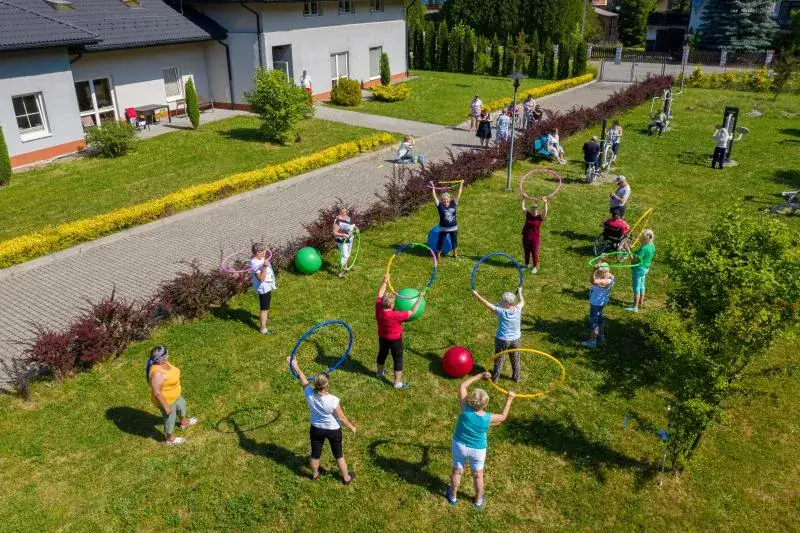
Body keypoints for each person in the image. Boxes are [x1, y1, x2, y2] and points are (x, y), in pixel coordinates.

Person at [445, 372, 515, 509]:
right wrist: (509, 399)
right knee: (478, 475)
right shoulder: (488, 418)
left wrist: (479, 376)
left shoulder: (464, 408)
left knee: (457, 471)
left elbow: (463, 385)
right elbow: (502, 417)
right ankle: (478, 501)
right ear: (485, 404)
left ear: (471, 400)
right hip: (478, 449)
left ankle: (452, 497)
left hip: (460, 445)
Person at [288, 357, 356, 484]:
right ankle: (346, 478)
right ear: (327, 385)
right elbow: (341, 417)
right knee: (338, 455)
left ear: (315, 384)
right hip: (333, 430)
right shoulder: (333, 400)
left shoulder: (309, 393)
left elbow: (303, 378)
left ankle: (315, 475)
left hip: (316, 429)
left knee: (315, 454)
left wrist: (295, 365)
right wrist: (352, 427)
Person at [375, 274, 423, 389]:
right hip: (395, 340)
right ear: (392, 305)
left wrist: (385, 281)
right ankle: (397, 383)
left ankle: (379, 373)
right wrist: (419, 299)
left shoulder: (378, 308)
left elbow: (380, 294)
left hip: (383, 337)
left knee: (382, 354)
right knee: (398, 359)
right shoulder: (396, 315)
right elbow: (412, 312)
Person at [146, 345, 197, 445]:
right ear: (160, 359)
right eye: (166, 354)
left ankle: (184, 422)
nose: (168, 355)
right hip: (167, 401)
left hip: (176, 395)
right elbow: (157, 393)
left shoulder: (164, 363)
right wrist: (166, 407)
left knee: (181, 406)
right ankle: (170, 439)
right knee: (170, 419)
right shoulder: (157, 374)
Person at [472, 288, 525, 383]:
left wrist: (476, 295)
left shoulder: (501, 312)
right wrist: (520, 291)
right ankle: (516, 378)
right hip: (516, 339)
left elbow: (486, 304)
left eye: (503, 300)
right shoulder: (518, 308)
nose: (501, 301)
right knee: (515, 359)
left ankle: (495, 379)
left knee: (499, 361)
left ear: (507, 303)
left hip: (502, 340)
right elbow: (522, 301)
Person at [582, 263, 615, 349]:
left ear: (603, 272)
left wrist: (593, 270)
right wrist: (600, 261)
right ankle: (602, 336)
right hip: (602, 302)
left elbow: (592, 281)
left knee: (594, 322)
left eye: (599, 272)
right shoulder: (610, 276)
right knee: (600, 318)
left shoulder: (606, 281)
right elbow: (601, 268)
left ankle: (593, 341)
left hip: (596, 303)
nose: (597, 273)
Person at [431, 180, 463, 259]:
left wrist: (461, 184)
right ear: (442, 200)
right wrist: (433, 186)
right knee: (440, 241)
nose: (445, 200)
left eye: (447, 199)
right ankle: (438, 255)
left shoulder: (453, 203)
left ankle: (455, 254)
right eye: (444, 199)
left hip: (453, 227)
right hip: (443, 228)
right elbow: (434, 197)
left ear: (449, 199)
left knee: (454, 240)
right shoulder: (440, 205)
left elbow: (459, 194)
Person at [626, 229, 655, 313]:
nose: (639, 239)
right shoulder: (652, 246)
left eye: (641, 238)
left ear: (644, 239)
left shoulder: (643, 248)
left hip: (638, 269)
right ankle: (640, 303)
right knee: (642, 285)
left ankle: (635, 307)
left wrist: (628, 250)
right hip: (646, 268)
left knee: (636, 287)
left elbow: (634, 260)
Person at [250, 242, 276, 334]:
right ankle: (263, 329)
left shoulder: (258, 258)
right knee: (264, 308)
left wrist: (263, 259)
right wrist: (264, 267)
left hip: (267, 286)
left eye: (265, 250)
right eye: (263, 252)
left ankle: (265, 317)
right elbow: (261, 279)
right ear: (257, 252)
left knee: (267, 305)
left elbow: (261, 258)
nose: (265, 253)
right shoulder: (255, 264)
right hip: (263, 288)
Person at [521, 197, 548, 273]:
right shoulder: (528, 215)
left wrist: (545, 203)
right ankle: (526, 265)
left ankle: (534, 267)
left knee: (534, 252)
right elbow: (523, 208)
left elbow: (545, 212)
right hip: (526, 236)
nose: (533, 210)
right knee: (526, 251)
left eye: (535, 209)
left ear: (537, 210)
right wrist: (523, 198)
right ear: (531, 210)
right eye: (532, 209)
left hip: (535, 238)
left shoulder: (539, 217)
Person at [332, 207, 358, 277]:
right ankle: (340, 271)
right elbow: (334, 233)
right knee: (345, 255)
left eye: (345, 212)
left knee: (348, 255)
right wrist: (343, 235)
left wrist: (356, 228)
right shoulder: (337, 221)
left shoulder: (348, 218)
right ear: (339, 212)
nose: (345, 213)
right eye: (343, 212)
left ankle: (345, 267)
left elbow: (352, 225)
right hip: (341, 241)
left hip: (350, 239)